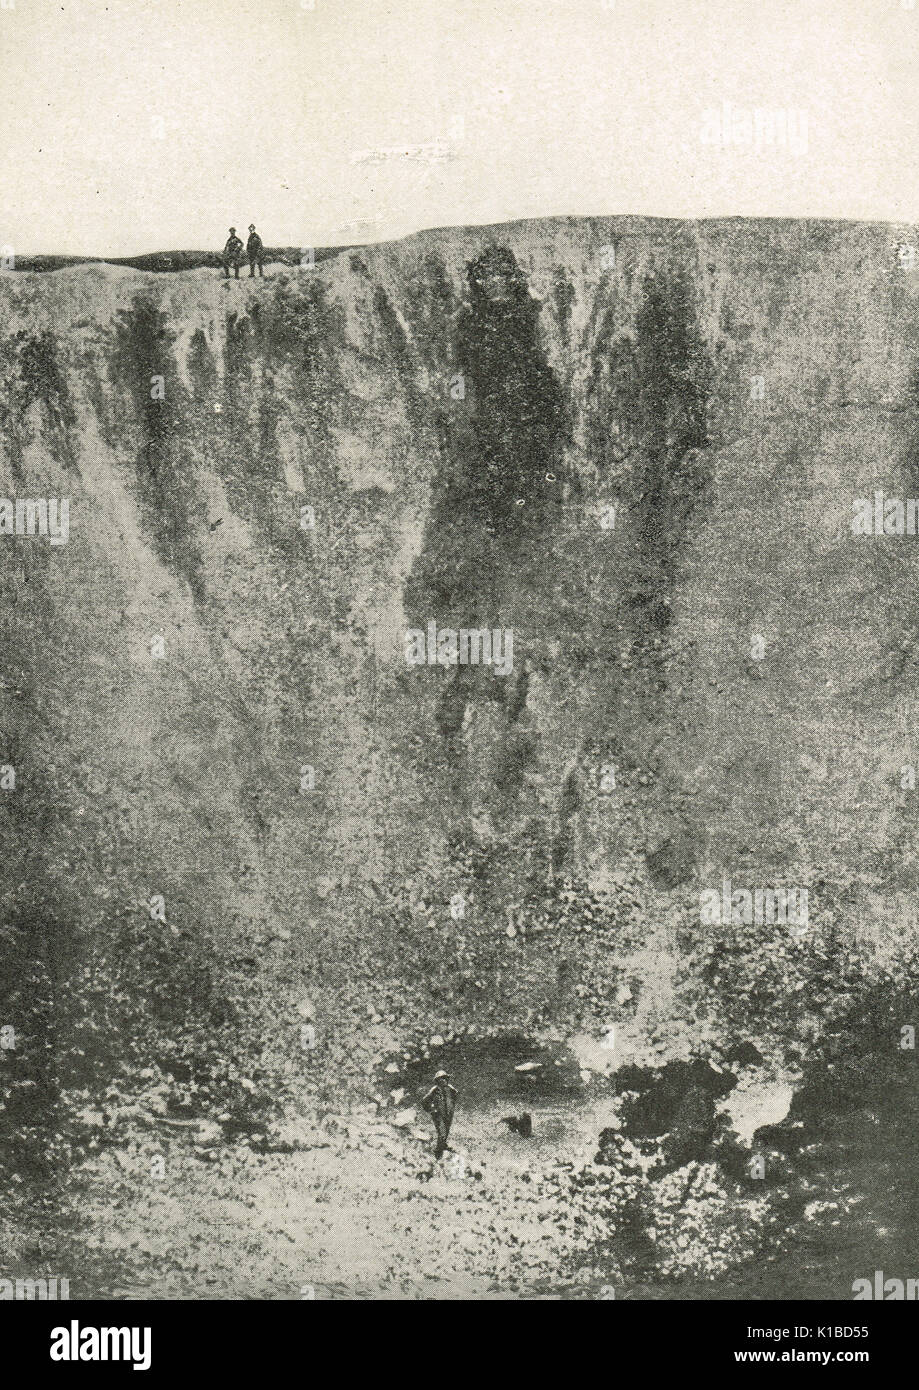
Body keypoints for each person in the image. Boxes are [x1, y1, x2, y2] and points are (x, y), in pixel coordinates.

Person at [420, 1069, 457, 1159]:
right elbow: (424, 1101)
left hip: (448, 1113)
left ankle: (443, 1145)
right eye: (441, 1079)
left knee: (446, 1130)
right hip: (438, 1114)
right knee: (442, 1132)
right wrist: (432, 1109)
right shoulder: (435, 1090)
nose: (443, 1080)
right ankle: (438, 1152)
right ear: (437, 1081)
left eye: (445, 1078)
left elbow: (455, 1095)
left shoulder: (450, 1089)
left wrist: (451, 1105)